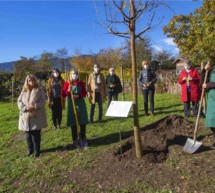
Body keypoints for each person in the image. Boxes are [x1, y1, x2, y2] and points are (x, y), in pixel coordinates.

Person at [18, 74, 47, 158]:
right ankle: (30, 149)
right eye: (29, 80)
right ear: (27, 81)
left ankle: (37, 150)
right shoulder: (24, 91)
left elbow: (43, 101)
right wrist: (25, 108)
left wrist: (34, 106)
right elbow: (19, 101)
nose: (31, 82)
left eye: (32, 80)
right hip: (26, 116)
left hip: (36, 116)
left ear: (35, 80)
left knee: (35, 135)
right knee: (27, 135)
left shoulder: (39, 90)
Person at [63, 70, 88, 149]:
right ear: (71, 74)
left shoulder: (81, 83)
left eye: (76, 74)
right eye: (74, 74)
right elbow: (63, 94)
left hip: (80, 104)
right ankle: (75, 139)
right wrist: (68, 90)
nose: (75, 75)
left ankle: (83, 137)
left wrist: (78, 96)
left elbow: (84, 92)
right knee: (73, 122)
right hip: (72, 104)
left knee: (82, 121)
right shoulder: (67, 83)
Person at [201, 63, 215, 148]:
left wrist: (209, 85)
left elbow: (209, 84)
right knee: (211, 121)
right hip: (212, 98)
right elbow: (203, 82)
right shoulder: (213, 68)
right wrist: (204, 70)